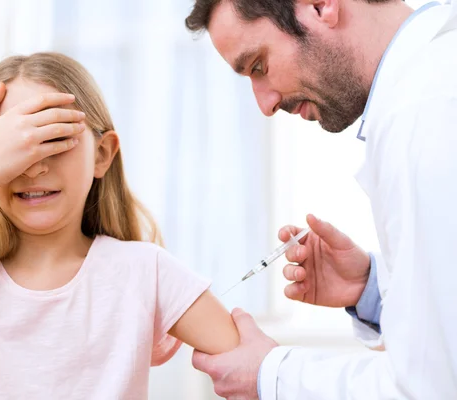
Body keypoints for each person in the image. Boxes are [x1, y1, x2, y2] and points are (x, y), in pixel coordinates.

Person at [0, 52, 241, 399]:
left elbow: (254, 368)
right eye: (11, 148)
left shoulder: (146, 272)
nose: (34, 166)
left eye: (55, 139)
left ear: (102, 154)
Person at [184, 0, 457, 399]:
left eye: (258, 65)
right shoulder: (436, 77)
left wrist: (270, 375)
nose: (265, 104)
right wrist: (373, 288)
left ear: (320, 5)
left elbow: (431, 388)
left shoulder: (426, 118)